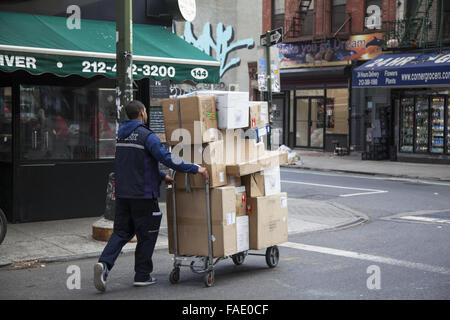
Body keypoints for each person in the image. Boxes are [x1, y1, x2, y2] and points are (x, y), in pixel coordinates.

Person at [94, 100, 209, 292]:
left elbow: (136, 164)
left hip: (123, 194)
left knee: (121, 232)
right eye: (145, 111)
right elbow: (168, 158)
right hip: (143, 196)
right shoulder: (147, 136)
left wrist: (162, 176)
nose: (146, 114)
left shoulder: (121, 136)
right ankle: (142, 275)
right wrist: (195, 168)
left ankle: (104, 265)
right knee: (147, 234)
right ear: (141, 113)